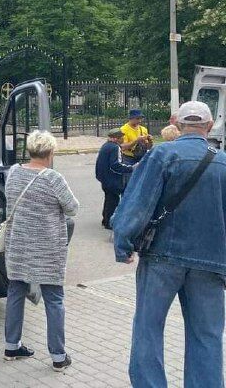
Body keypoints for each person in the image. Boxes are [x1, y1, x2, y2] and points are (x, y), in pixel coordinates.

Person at [113, 101, 226, 388]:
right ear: (209, 127)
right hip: (211, 263)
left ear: (175, 123)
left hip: (163, 257)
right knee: (207, 335)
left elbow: (138, 203)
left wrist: (123, 243)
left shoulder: (162, 154)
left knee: (148, 329)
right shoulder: (223, 162)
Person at [3, 130, 78, 372]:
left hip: (18, 247)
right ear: (50, 152)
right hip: (47, 250)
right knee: (54, 300)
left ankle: (11, 347)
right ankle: (58, 356)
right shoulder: (52, 179)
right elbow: (73, 208)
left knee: (15, 293)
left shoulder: (13, 173)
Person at [95, 128, 134, 229]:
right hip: (112, 178)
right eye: (121, 137)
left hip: (104, 178)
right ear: (116, 138)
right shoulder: (115, 148)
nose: (123, 138)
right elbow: (115, 165)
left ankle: (105, 219)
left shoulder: (106, 145)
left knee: (109, 199)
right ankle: (109, 222)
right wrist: (131, 168)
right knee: (114, 200)